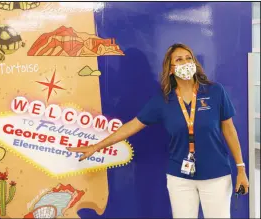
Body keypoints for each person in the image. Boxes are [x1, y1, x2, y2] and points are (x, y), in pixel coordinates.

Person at [67, 43, 249, 218]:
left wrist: (241, 169)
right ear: (170, 69)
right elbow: (132, 126)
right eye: (179, 60)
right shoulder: (163, 100)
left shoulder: (215, 92)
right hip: (180, 176)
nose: (185, 63)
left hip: (216, 174)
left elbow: (229, 130)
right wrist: (97, 146)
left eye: (188, 58)